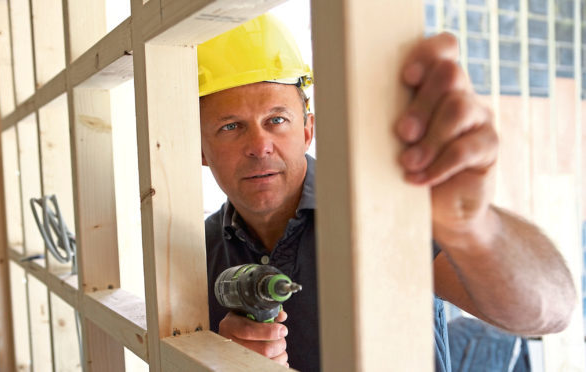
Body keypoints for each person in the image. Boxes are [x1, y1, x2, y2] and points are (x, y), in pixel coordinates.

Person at [199, 14, 576, 371]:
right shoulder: (195, 255)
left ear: (307, 130)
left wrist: (473, 226)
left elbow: (549, 311)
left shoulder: (380, 212)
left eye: (276, 120)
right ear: (200, 150)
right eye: (231, 127)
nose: (259, 145)